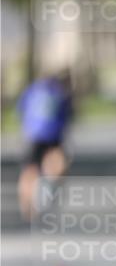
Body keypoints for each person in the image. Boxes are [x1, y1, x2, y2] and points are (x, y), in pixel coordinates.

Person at [17, 70, 74, 219]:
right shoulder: (61, 93)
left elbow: (21, 110)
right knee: (57, 167)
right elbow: (68, 114)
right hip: (53, 135)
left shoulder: (32, 90)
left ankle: (28, 205)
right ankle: (49, 192)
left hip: (33, 135)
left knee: (30, 169)